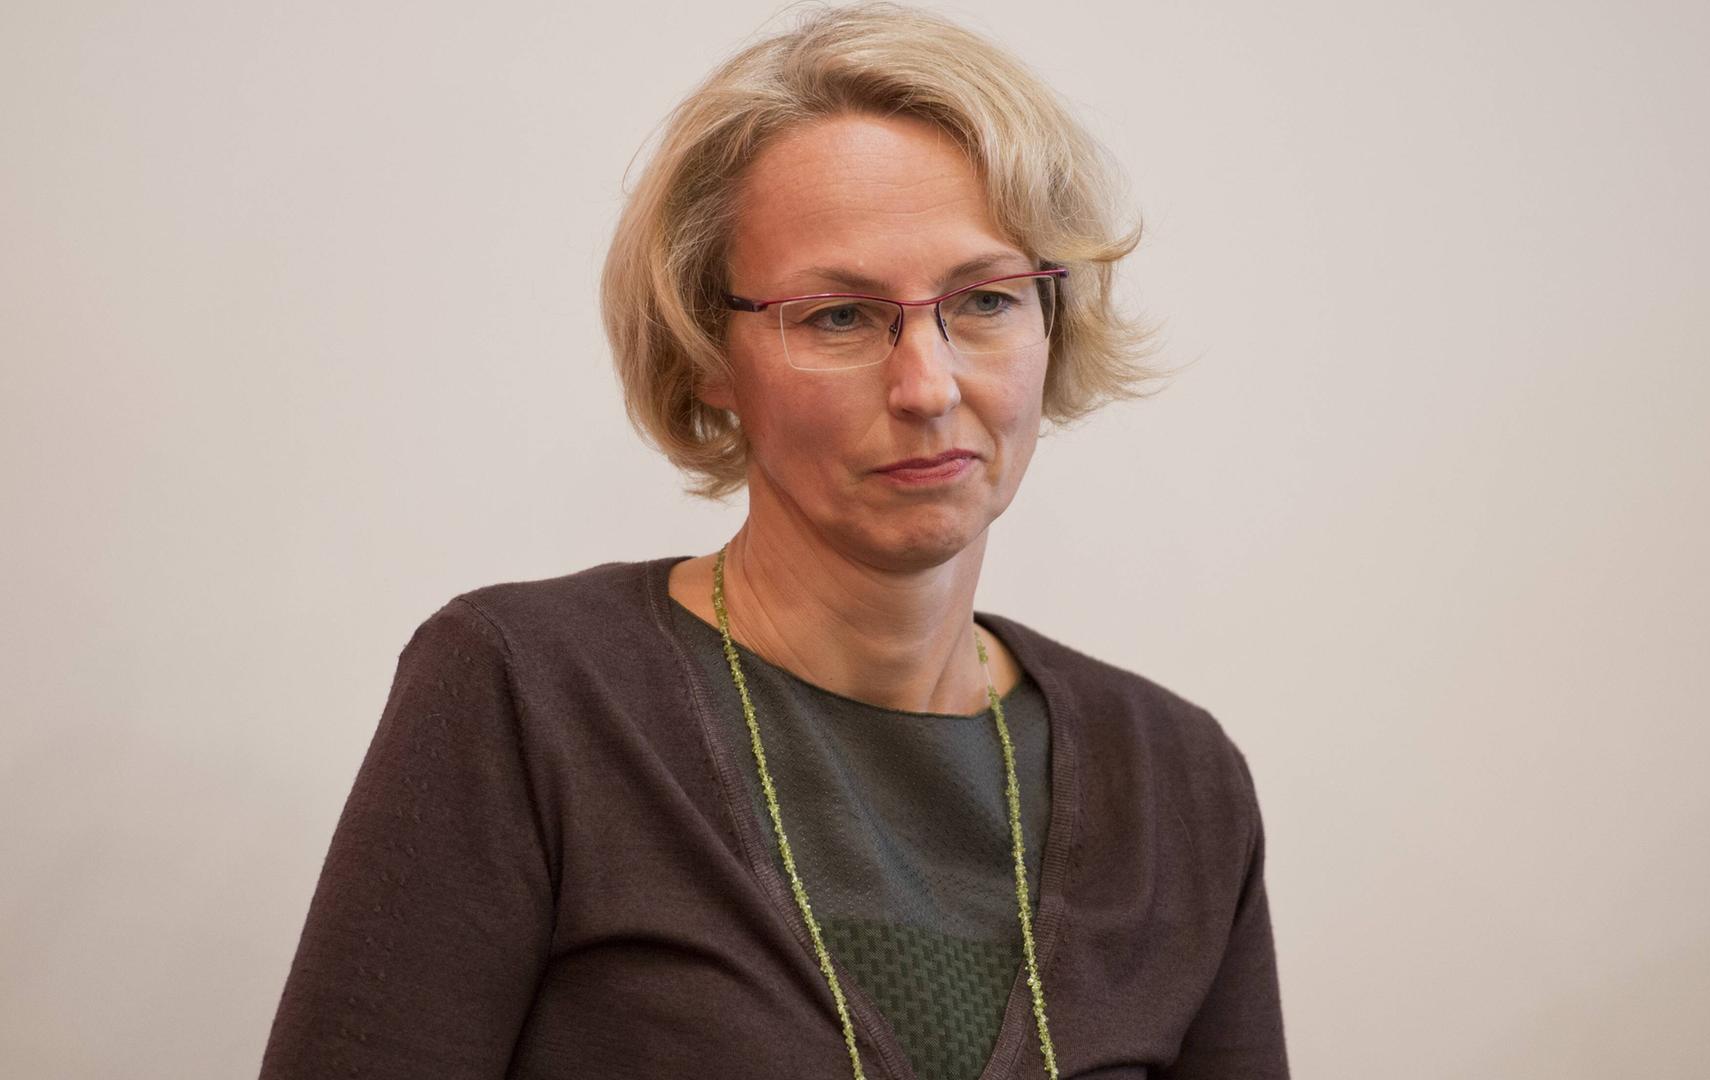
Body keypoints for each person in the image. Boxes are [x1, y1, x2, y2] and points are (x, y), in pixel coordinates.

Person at [258, 4, 1289, 1078]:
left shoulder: (1179, 782)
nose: (927, 386)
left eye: (983, 299)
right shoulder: (528, 696)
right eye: (839, 316)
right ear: (709, 351)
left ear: (1052, 322)